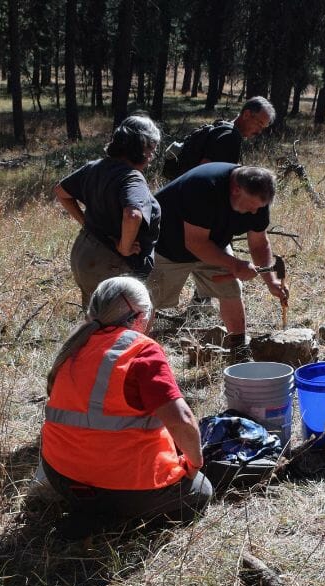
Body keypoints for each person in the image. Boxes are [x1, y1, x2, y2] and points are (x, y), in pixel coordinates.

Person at [40, 276, 212, 535]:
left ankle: (96, 513)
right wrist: (195, 464)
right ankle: (124, 517)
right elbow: (181, 420)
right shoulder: (142, 350)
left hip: (62, 479)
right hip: (127, 489)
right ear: (141, 316)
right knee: (201, 490)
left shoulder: (73, 346)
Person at [147, 163, 288, 359]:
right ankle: (138, 352)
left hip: (213, 243)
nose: (255, 212)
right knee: (148, 300)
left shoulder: (258, 196)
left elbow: (258, 244)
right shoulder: (204, 187)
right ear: (235, 190)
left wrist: (271, 281)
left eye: (260, 208)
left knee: (230, 289)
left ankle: (239, 350)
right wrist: (235, 265)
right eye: (251, 206)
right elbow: (196, 244)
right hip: (168, 245)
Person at [164, 96, 276, 306]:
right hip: (197, 209)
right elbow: (209, 172)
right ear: (246, 114)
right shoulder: (229, 138)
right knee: (210, 250)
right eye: (259, 124)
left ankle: (201, 299)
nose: (259, 131)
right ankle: (201, 301)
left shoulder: (222, 129)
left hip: (185, 204)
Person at [55, 115, 162, 307]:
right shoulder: (132, 178)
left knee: (95, 318)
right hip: (111, 265)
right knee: (119, 325)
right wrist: (125, 246)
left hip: (84, 254)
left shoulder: (95, 167)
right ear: (141, 146)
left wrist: (85, 223)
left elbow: (61, 192)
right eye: (151, 149)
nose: (151, 157)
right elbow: (133, 215)